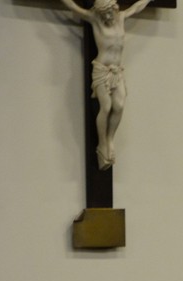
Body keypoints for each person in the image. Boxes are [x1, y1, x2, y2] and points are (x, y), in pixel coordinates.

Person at [59, 0, 153, 170]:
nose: (108, 17)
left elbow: (136, 7)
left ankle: (110, 139)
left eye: (109, 12)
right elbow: (73, 7)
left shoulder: (121, 17)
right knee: (106, 106)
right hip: (102, 70)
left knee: (119, 106)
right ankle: (102, 143)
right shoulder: (95, 19)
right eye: (104, 14)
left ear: (114, 8)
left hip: (117, 71)